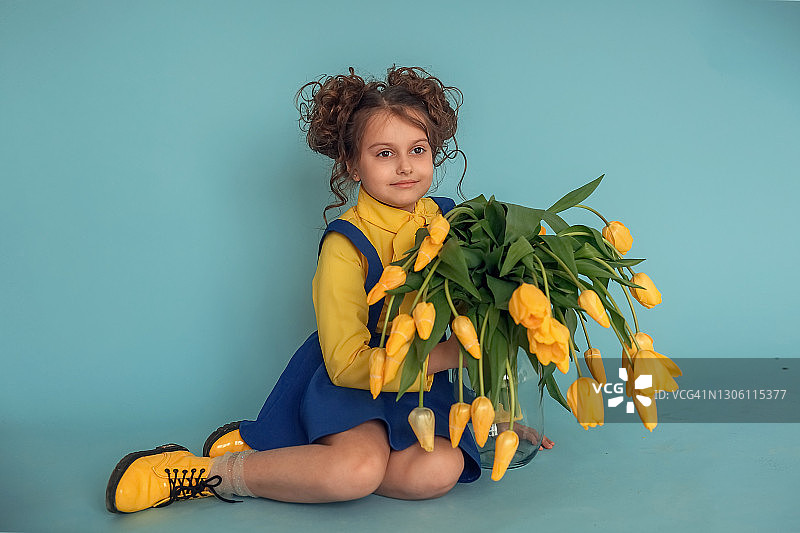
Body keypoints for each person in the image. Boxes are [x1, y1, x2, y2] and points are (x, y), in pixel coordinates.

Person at [105, 65, 553, 514]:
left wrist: (497, 411)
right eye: (383, 154)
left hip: (420, 390)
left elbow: (479, 321)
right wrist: (446, 357)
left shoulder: (455, 223)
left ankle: (301, 462)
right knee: (353, 473)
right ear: (352, 165)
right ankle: (213, 472)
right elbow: (346, 363)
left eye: (417, 149)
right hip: (354, 381)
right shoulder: (345, 244)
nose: (404, 166)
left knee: (437, 472)